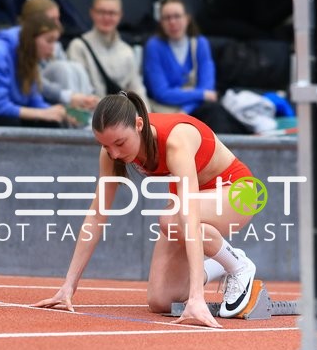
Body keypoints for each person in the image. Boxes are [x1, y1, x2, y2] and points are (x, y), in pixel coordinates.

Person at [34, 91, 261, 328]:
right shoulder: (112, 151)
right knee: (161, 300)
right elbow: (96, 215)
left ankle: (238, 266)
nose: (115, 154)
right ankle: (223, 260)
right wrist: (68, 286)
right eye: (106, 146)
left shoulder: (176, 140)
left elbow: (189, 214)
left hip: (238, 193)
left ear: (139, 124)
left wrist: (197, 297)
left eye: (120, 143)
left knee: (171, 219)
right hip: (188, 208)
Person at [143, 0, 248, 134]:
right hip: (166, 109)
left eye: (177, 16)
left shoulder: (200, 43)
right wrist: (201, 95)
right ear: (161, 22)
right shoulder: (154, 46)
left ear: (187, 18)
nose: (172, 22)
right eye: (167, 18)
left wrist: (185, 110)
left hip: (193, 109)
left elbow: (207, 88)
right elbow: (161, 93)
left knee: (215, 111)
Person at [67, 0, 148, 104]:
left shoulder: (127, 51)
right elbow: (79, 92)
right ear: (92, 13)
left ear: (120, 15)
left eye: (112, 13)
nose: (106, 18)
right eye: (101, 12)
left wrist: (147, 118)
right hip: (91, 115)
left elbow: (137, 90)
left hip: (121, 118)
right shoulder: (78, 46)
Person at [20, 0, 99, 117]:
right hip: (44, 97)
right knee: (62, 68)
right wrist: (68, 96)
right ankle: (78, 120)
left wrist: (86, 98)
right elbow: (33, 81)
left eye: (58, 19)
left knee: (75, 66)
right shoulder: (19, 45)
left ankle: (85, 116)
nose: (57, 24)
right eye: (52, 20)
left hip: (52, 98)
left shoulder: (55, 46)